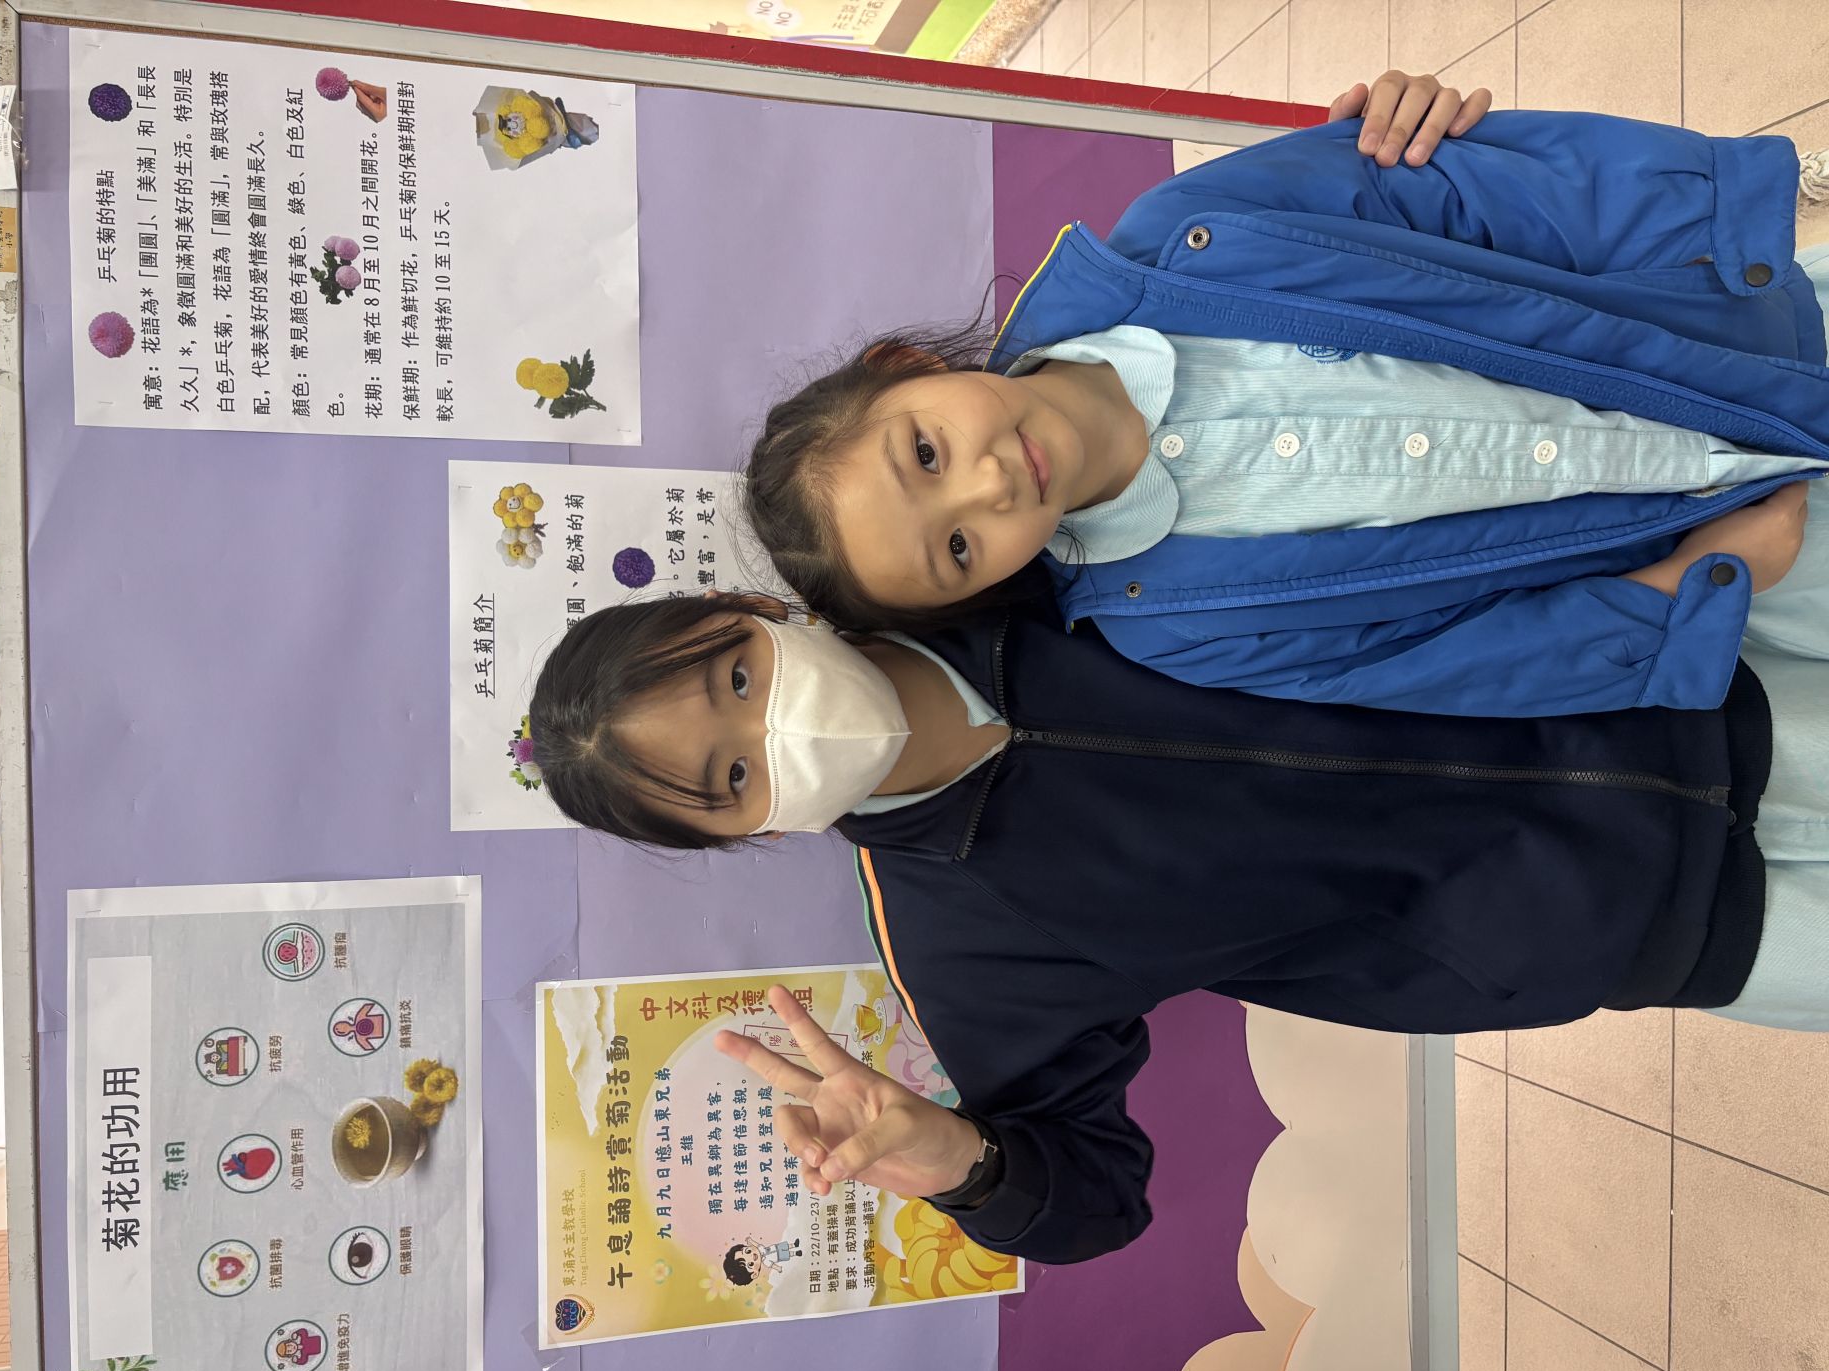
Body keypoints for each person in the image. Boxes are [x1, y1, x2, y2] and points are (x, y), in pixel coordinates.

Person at [526, 584, 1829, 1264]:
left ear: (752, 612)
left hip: (1670, 676)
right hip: (1674, 924)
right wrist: (963, 1164)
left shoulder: (995, 566)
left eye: (738, 677)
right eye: (733, 777)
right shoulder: (964, 947)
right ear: (748, 834)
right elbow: (1097, 1200)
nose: (775, 730)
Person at [739, 83, 1829, 716]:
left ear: (909, 368)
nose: (985, 491)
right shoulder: (1173, 627)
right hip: (1744, 534)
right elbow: (1447, 662)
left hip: (1741, 342)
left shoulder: (1186, 241)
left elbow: (1469, 194)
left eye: (926, 455)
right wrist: (1686, 591)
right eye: (958, 550)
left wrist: (1707, 230)